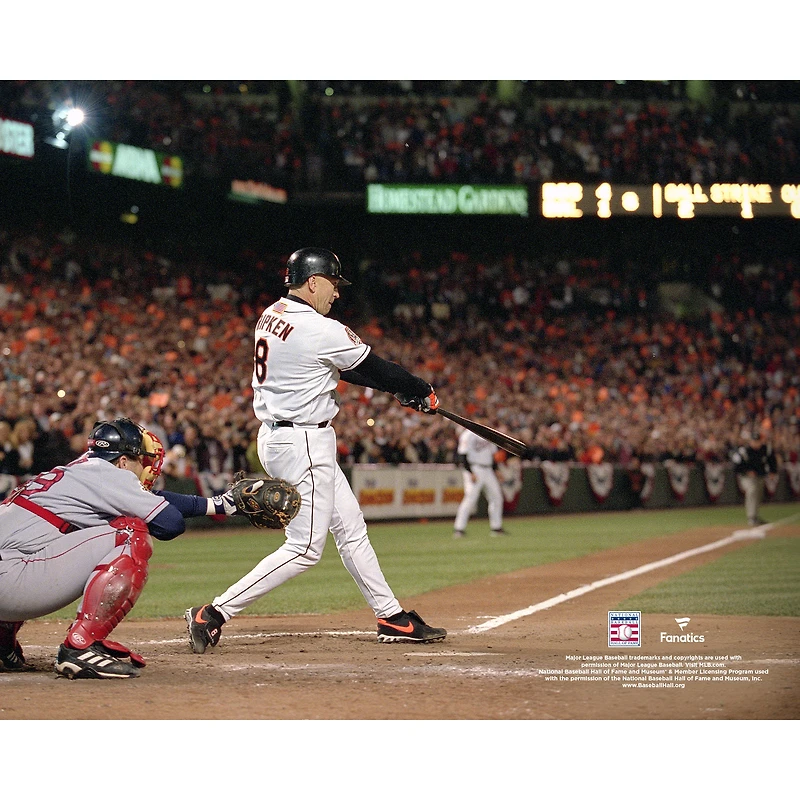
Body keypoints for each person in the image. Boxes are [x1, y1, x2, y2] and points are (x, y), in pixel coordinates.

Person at [186, 247, 447, 651]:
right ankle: (214, 612)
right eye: (332, 284)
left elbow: (341, 367)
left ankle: (391, 616)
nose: (337, 293)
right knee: (305, 548)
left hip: (283, 435)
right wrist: (418, 390)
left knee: (351, 527)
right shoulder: (320, 327)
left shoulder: (272, 313)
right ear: (312, 282)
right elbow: (375, 367)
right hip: (303, 439)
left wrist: (397, 391)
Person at [0, 417, 240, 678]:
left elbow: (153, 500)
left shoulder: (77, 472)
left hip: (8, 574)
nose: (145, 469)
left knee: (36, 544)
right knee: (130, 533)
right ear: (123, 460)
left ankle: (2, 641)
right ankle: (81, 646)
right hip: (9, 582)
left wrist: (219, 505)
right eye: (140, 460)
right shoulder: (108, 473)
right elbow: (169, 524)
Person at [452, 426, 507, 538]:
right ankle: (459, 528)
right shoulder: (468, 434)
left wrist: (496, 470)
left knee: (496, 497)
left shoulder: (488, 433)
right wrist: (470, 472)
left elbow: (492, 455)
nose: (483, 422)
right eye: (480, 419)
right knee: (470, 498)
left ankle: (496, 527)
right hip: (474, 468)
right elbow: (462, 455)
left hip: (488, 469)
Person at [730, 426, 778, 527]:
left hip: (760, 476)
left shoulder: (766, 449)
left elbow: (772, 461)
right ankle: (751, 517)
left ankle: (755, 516)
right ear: (750, 441)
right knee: (752, 490)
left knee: (758, 495)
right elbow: (735, 465)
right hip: (746, 477)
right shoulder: (744, 451)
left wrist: (773, 471)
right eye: (754, 441)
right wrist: (746, 471)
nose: (756, 443)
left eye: (758, 441)